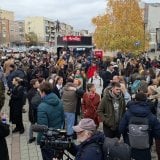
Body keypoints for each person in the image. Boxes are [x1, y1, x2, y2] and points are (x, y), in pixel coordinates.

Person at [119, 92, 160, 160]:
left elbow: (121, 128)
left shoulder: (128, 113)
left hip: (130, 144)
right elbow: (158, 133)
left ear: (135, 100)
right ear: (146, 100)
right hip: (145, 146)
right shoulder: (151, 116)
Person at [37, 82, 64, 160]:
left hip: (48, 141)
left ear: (43, 92)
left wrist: (40, 141)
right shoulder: (59, 101)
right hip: (58, 136)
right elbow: (62, 119)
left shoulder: (42, 107)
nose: (39, 93)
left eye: (39, 92)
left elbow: (43, 128)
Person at [27, 79, 41, 143]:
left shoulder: (30, 91)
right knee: (39, 124)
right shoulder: (35, 92)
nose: (39, 84)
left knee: (32, 124)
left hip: (31, 111)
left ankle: (31, 137)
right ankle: (39, 138)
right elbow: (37, 102)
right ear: (33, 85)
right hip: (35, 111)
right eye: (37, 83)